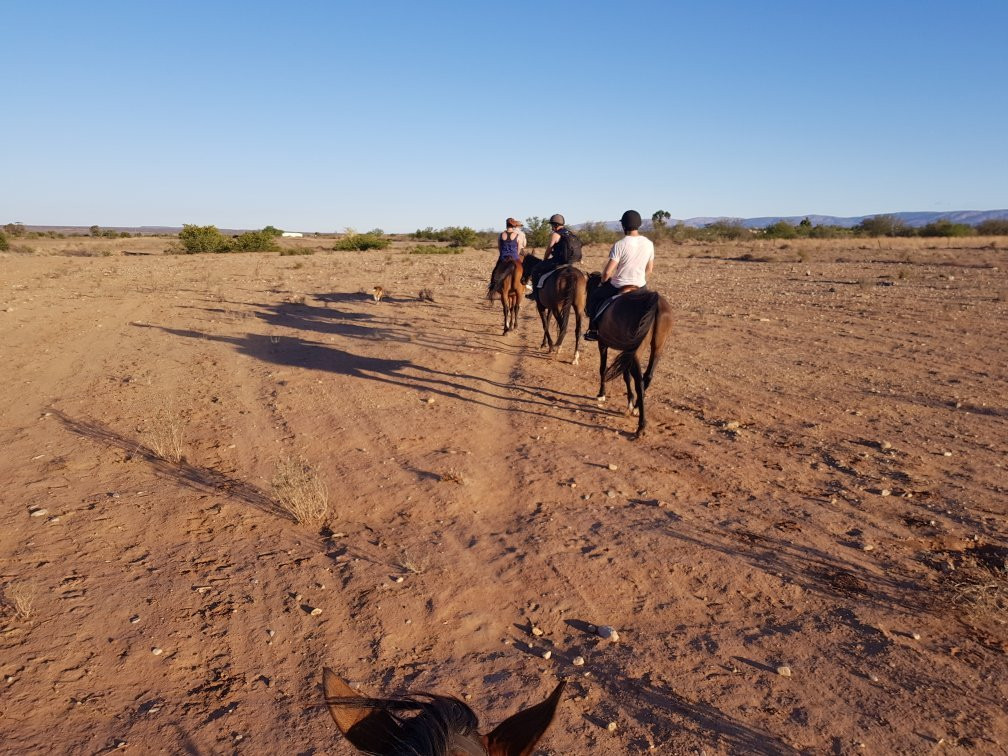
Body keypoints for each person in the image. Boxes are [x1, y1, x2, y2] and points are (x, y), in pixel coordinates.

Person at [583, 209, 654, 341]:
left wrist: (603, 282)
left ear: (623, 226)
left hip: (619, 285)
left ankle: (593, 331)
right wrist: (640, 280)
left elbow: (608, 272)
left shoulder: (620, 244)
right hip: (640, 285)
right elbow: (649, 269)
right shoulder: (649, 244)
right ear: (639, 224)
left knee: (595, 297)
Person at [530, 213, 572, 302]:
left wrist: (544, 260)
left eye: (552, 225)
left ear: (555, 225)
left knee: (535, 269)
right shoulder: (569, 233)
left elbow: (549, 249)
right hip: (569, 262)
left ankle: (534, 293)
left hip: (557, 261)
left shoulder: (556, 235)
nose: (551, 227)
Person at [487, 217, 527, 295]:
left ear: (506, 225)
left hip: (503, 257)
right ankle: (524, 283)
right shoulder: (518, 235)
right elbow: (519, 247)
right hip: (515, 256)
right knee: (524, 269)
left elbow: (499, 247)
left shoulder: (501, 235)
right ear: (514, 225)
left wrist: (502, 254)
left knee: (495, 269)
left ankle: (492, 284)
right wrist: (516, 254)